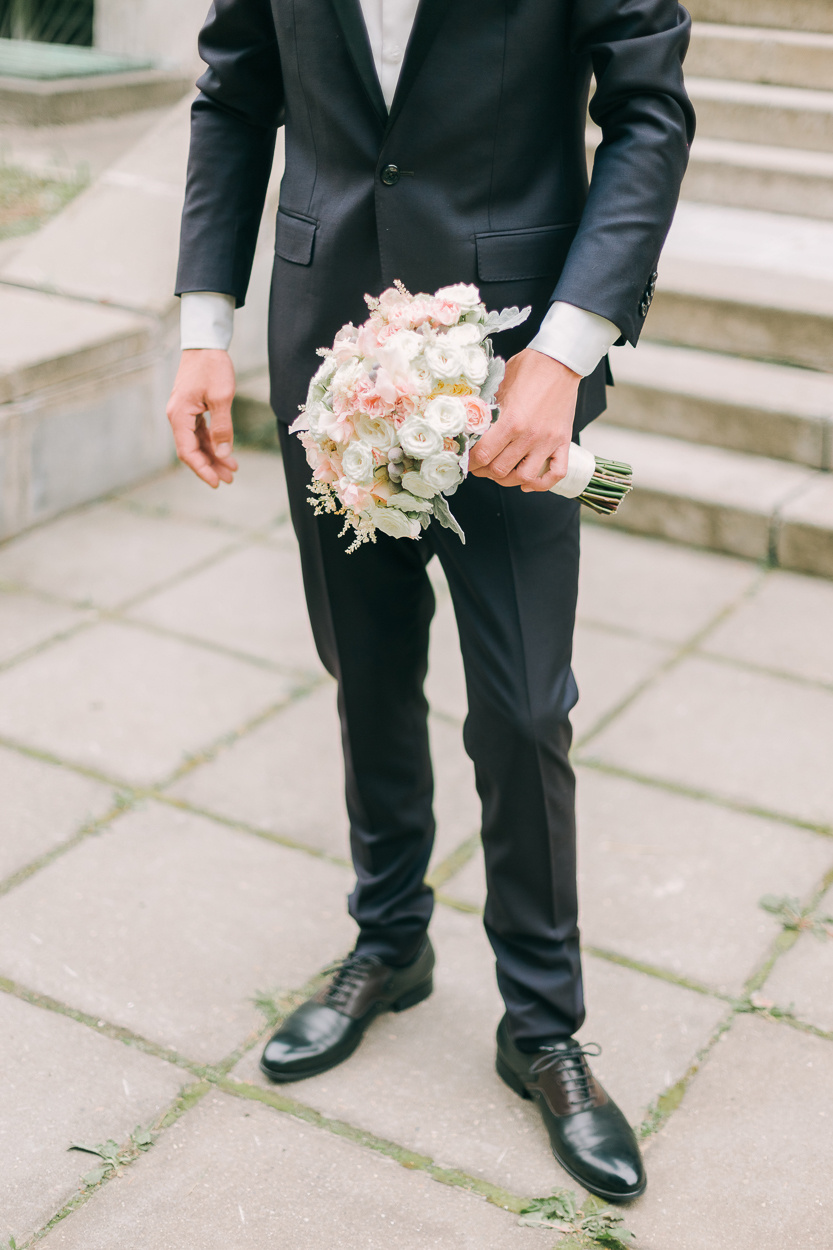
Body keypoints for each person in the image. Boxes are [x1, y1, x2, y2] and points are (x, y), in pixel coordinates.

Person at [167, 0, 694, 1202]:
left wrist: (559, 353)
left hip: (515, 379)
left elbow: (648, 112)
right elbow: (236, 92)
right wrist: (205, 327)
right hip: (324, 357)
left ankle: (541, 1025)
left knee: (520, 708)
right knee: (366, 671)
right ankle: (388, 939)